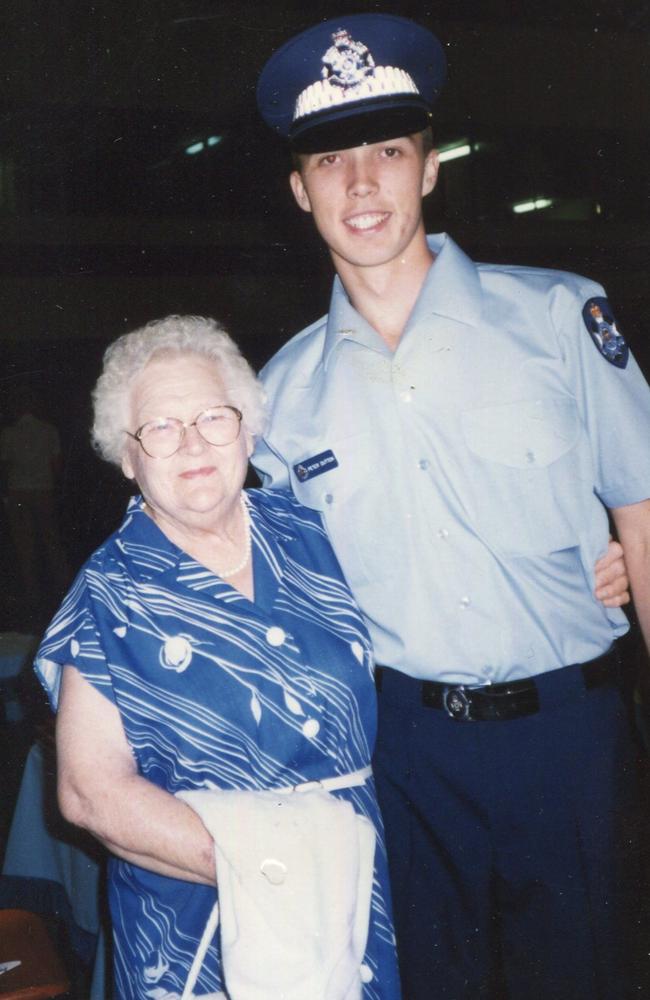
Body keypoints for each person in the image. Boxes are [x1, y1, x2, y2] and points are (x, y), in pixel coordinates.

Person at [254, 14, 650, 1000]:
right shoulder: (277, 397)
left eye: (386, 150)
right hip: (402, 754)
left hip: (570, 737)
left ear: (428, 168)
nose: (359, 183)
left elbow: (642, 517)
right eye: (330, 159)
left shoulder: (559, 316)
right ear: (297, 191)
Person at [34, 315, 402, 1000]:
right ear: (127, 456)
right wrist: (273, 868)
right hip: (199, 927)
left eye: (212, 417)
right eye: (161, 428)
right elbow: (88, 793)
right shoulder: (110, 592)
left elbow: (428, 592)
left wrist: (590, 566)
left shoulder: (311, 533)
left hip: (351, 894)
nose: (193, 443)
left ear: (249, 428)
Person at [0, 384, 71, 625]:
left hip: (18, 493)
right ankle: (64, 589)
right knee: (51, 541)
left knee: (24, 544)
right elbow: (57, 465)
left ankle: (32, 594)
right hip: (44, 492)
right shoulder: (49, 431)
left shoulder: (8, 434)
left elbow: (4, 465)